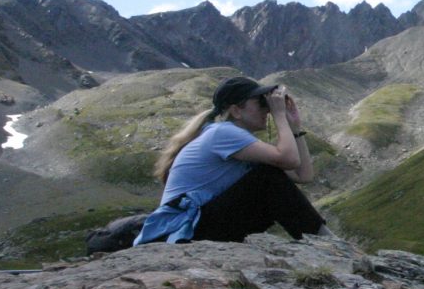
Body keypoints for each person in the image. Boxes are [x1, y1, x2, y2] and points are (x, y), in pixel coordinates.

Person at [134, 76, 332, 245]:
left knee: (268, 175)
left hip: (196, 226)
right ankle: (328, 245)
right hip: (183, 231)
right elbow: (288, 159)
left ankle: (325, 243)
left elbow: (303, 175)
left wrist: (295, 127)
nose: (267, 110)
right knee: (266, 177)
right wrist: (280, 115)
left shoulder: (237, 141)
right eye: (261, 103)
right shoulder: (223, 133)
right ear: (236, 111)